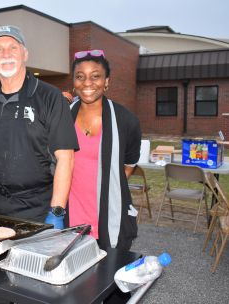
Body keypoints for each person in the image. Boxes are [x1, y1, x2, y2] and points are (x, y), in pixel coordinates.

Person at [0, 25, 79, 228]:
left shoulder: (50, 97)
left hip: (36, 208)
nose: (6, 54)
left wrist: (57, 211)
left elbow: (66, 158)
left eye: (13, 47)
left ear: (25, 53)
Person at [68, 50, 141, 303]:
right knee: (73, 290)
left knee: (110, 289)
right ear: (74, 82)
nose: (87, 83)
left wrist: (107, 188)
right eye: (80, 77)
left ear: (107, 81)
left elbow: (128, 166)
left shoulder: (126, 120)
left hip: (111, 223)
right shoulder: (62, 117)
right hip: (71, 223)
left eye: (95, 76)